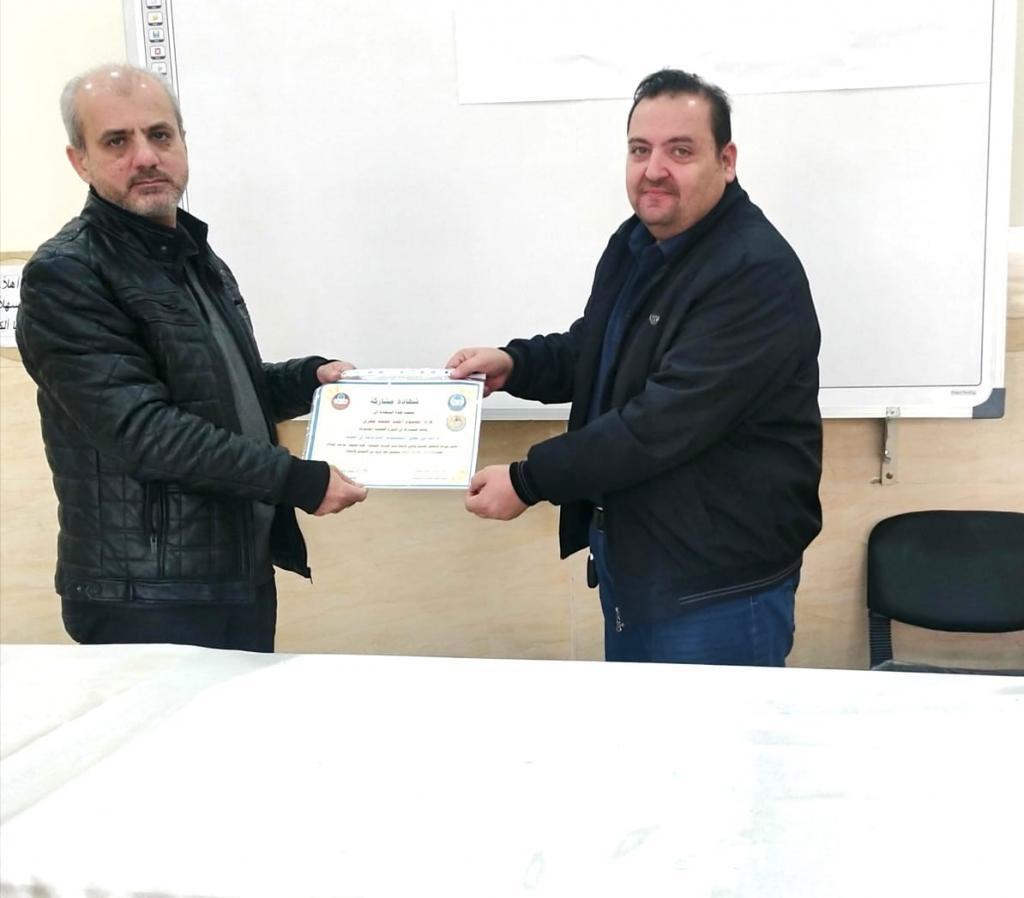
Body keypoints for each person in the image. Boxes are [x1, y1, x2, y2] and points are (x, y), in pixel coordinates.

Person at [448, 69, 822, 666]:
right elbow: (599, 347)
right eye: (640, 150)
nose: (654, 169)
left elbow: (661, 422)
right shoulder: (638, 242)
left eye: (681, 151)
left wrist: (528, 480)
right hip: (638, 563)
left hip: (716, 588)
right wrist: (516, 365)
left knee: (709, 732)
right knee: (638, 728)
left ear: (726, 161)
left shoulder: (754, 272)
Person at [17, 64, 367, 652]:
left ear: (182, 142)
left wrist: (308, 380)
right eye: (116, 141)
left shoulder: (193, 255)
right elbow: (143, 430)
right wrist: (295, 480)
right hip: (145, 595)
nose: (146, 157)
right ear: (80, 161)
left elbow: (218, 394)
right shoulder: (68, 273)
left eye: (160, 135)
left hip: (231, 574)